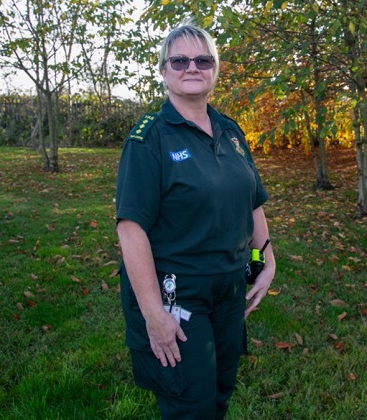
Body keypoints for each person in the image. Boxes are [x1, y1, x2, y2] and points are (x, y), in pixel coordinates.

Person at [115, 23, 276, 419]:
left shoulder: (231, 131)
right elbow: (130, 228)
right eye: (180, 60)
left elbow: (252, 201)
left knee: (219, 395)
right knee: (191, 407)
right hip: (177, 295)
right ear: (164, 71)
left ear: (215, 70)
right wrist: (154, 314)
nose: (192, 67)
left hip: (228, 289)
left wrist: (266, 258)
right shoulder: (149, 140)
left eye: (203, 60)